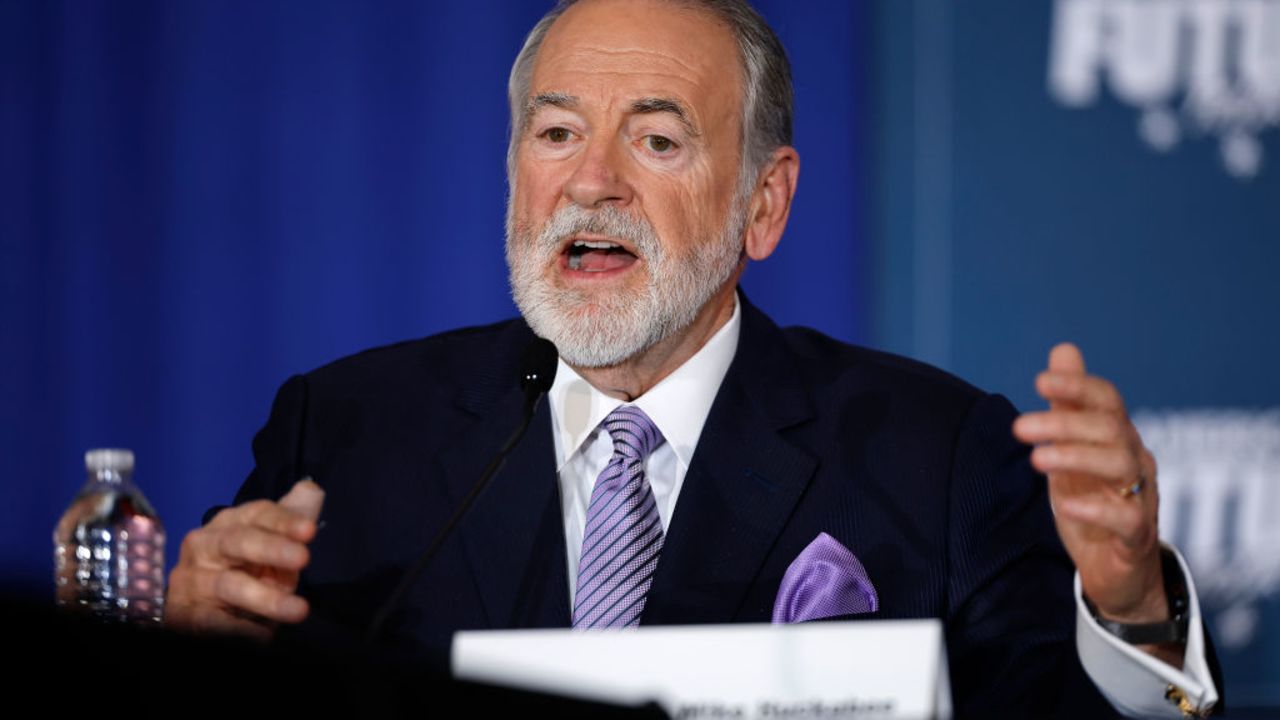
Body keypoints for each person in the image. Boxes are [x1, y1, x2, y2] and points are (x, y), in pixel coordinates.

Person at [165, 0, 1221, 716]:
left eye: (656, 141)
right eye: (556, 134)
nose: (591, 185)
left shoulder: (933, 456)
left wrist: (1128, 606)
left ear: (762, 204)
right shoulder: (346, 435)